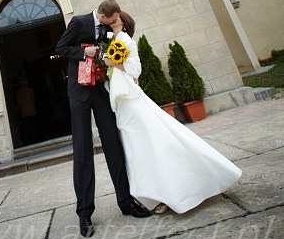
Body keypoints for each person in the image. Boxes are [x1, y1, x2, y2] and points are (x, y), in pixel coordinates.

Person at [104, 11, 242, 214]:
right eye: (110, 18)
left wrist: (112, 62)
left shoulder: (126, 41)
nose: (113, 20)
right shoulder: (112, 40)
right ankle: (152, 193)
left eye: (116, 17)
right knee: (136, 146)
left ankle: (168, 191)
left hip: (130, 99)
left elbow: (135, 70)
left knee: (149, 142)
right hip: (121, 100)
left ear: (123, 21)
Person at [56, 0, 151, 239]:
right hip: (79, 91)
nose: (113, 23)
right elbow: (61, 48)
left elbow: (118, 50)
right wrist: (83, 51)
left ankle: (126, 202)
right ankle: (84, 213)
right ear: (102, 15)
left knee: (114, 144)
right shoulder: (78, 22)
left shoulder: (111, 27)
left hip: (101, 90)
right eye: (112, 20)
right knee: (83, 149)